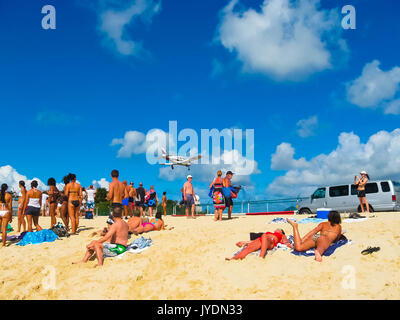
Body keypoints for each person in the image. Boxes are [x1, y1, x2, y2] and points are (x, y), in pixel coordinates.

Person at [226, 229, 290, 260]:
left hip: (271, 242)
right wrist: (245, 242)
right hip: (261, 239)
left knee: (264, 235)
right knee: (248, 248)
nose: (277, 229)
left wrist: (288, 244)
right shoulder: (270, 233)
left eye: (279, 229)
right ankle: (233, 258)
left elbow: (285, 242)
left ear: (281, 231)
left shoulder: (282, 235)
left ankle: (261, 257)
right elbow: (253, 241)